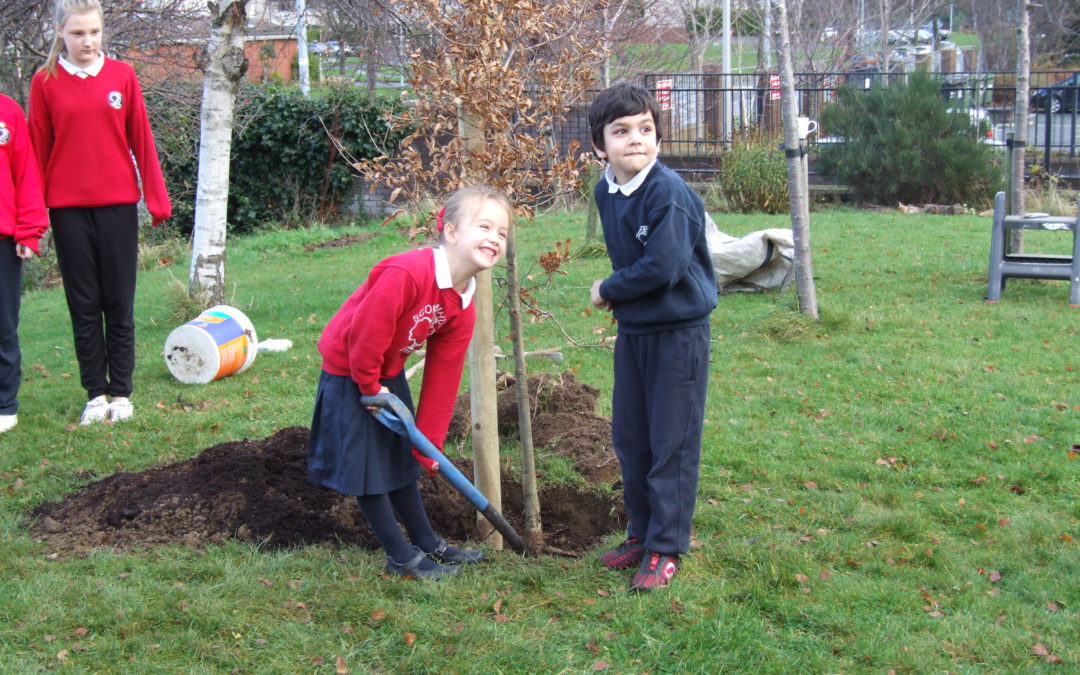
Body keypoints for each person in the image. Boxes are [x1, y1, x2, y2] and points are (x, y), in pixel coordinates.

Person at [309, 185, 511, 580]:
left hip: (385, 370)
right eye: (484, 226)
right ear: (450, 231)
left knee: (401, 460)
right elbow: (365, 334)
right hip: (351, 370)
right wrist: (367, 387)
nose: (494, 238)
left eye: (502, 233)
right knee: (370, 467)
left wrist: (427, 445)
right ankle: (401, 557)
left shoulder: (463, 301)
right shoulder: (408, 273)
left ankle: (428, 543)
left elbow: (443, 376)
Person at [587, 83, 718, 592]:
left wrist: (607, 290)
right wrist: (623, 302)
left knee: (672, 443)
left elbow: (662, 267)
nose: (635, 140)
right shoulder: (606, 191)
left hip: (679, 334)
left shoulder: (669, 192)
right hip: (636, 334)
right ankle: (640, 535)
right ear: (601, 146)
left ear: (659, 138)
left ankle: (666, 547)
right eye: (620, 131)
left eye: (645, 129)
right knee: (631, 439)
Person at [28, 0, 171, 426]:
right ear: (60, 34)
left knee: (118, 301)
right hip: (68, 210)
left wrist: (157, 199)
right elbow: (36, 151)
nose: (86, 41)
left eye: (93, 32)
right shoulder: (45, 82)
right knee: (84, 304)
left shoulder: (122, 77)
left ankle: (122, 394)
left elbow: (141, 139)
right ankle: (95, 394)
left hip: (118, 207)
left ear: (101, 31)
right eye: (77, 33)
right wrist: (32, 220)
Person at [0, 95, 50, 435]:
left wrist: (29, 230)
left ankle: (5, 404)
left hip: (3, 240)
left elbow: (26, 170)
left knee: (3, 325)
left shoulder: (7, 111)